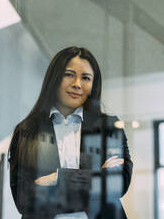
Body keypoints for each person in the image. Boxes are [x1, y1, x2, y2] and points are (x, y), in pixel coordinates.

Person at [8, 46, 133, 219]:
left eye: (86, 78)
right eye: (69, 74)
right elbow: (23, 199)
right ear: (54, 78)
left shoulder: (108, 126)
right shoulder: (27, 130)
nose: (77, 84)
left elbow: (118, 184)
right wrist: (96, 176)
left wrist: (55, 179)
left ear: (93, 84)